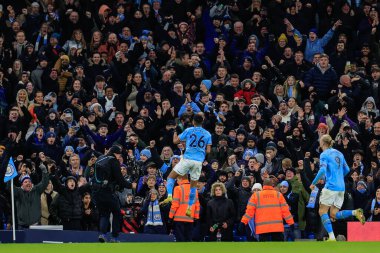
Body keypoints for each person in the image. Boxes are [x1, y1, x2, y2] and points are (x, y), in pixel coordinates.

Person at [310, 134, 366, 242]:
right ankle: (355, 212)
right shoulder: (339, 153)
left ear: (322, 143)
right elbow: (347, 170)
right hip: (341, 187)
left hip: (330, 186)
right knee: (333, 214)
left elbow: (322, 171)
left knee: (322, 211)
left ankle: (331, 237)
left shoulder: (324, 154)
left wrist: (313, 183)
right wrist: (338, 177)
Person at [162, 114, 211, 217]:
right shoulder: (208, 134)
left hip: (187, 158)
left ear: (193, 122)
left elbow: (175, 141)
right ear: (202, 122)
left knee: (171, 177)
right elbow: (208, 150)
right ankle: (189, 207)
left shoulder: (189, 130)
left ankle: (170, 195)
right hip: (198, 162)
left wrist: (175, 131)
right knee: (193, 186)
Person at [93, 145, 129, 242]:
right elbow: (119, 178)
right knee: (117, 212)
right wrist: (130, 185)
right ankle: (114, 237)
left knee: (104, 214)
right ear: (116, 153)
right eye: (119, 155)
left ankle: (103, 234)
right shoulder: (113, 161)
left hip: (97, 192)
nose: (119, 157)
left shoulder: (100, 158)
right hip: (108, 192)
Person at [168, 175, 200, 242]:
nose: (176, 181)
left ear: (181, 178)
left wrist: (170, 217)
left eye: (177, 179)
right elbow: (197, 205)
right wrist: (196, 217)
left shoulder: (178, 188)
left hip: (179, 219)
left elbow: (175, 205)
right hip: (190, 219)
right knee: (188, 240)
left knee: (180, 241)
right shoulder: (194, 189)